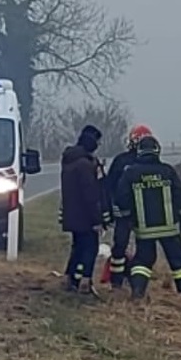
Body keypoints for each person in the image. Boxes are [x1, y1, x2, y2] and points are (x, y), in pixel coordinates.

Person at [115, 136, 181, 309]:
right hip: (170, 228)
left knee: (143, 261)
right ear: (157, 151)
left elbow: (121, 199)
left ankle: (137, 292)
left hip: (144, 229)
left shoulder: (130, 173)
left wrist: (127, 219)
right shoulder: (167, 171)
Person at [60, 125, 109, 293]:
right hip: (86, 216)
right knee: (90, 247)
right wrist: (97, 219)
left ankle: (70, 277)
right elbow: (91, 194)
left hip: (71, 214)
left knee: (78, 246)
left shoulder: (69, 160)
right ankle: (85, 281)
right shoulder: (86, 164)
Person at [104, 124, 153, 288]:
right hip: (141, 213)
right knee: (138, 248)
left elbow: (109, 186)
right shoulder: (150, 164)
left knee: (121, 246)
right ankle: (132, 282)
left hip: (124, 212)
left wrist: (110, 208)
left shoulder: (121, 161)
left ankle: (118, 281)